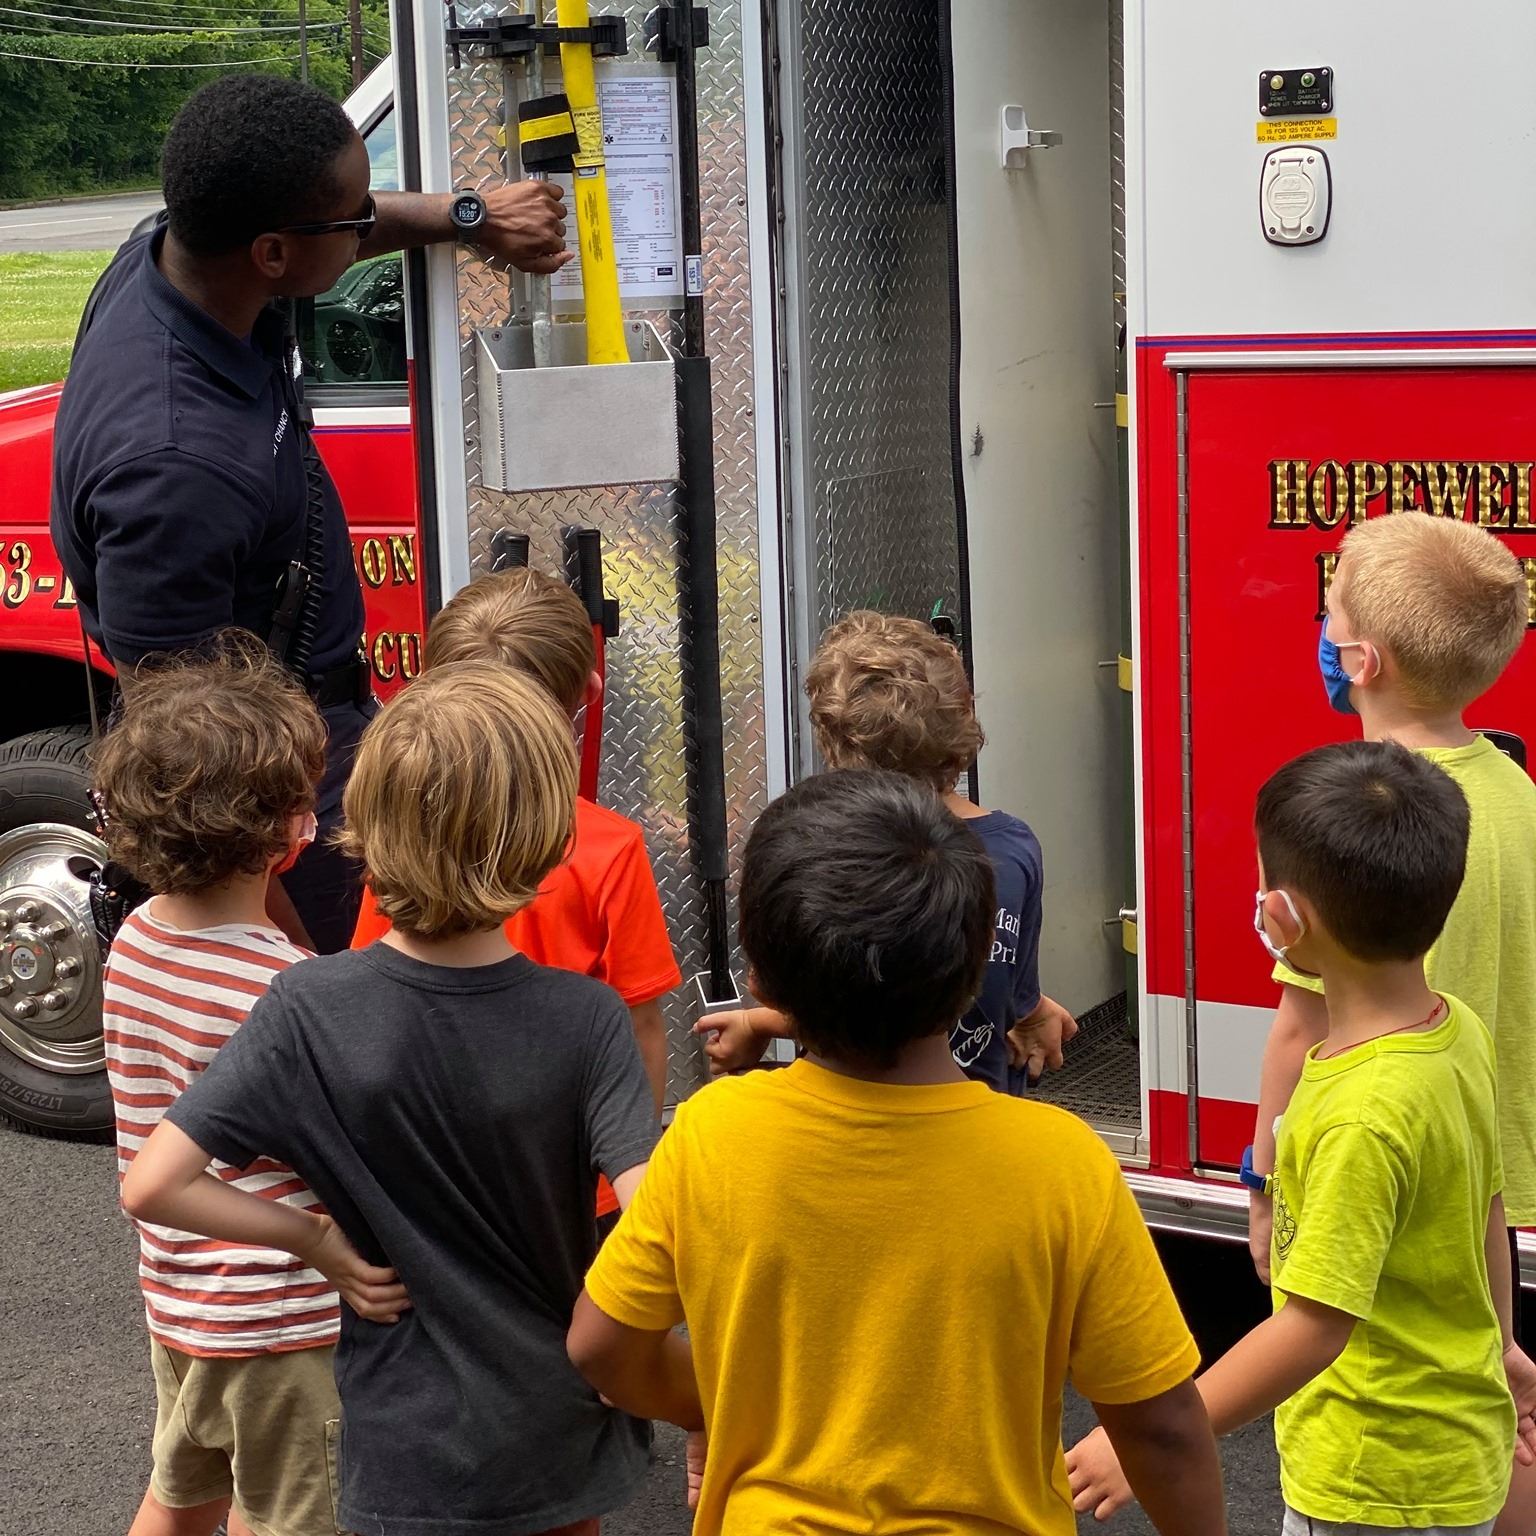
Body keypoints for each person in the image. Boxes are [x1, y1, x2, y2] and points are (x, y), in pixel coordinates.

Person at [569, 769, 1225, 1536]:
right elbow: (1164, 1428)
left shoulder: (711, 1136)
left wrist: (723, 1396)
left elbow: (601, 1346)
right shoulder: (1061, 1164)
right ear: (981, 960)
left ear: (761, 980)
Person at [122, 662, 659, 1536]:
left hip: (396, 1434)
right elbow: (654, 1224)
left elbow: (153, 1185)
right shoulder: (587, 1019)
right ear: (547, 834)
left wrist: (316, 1241)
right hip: (554, 1422)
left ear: (365, 822)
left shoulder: (309, 1007)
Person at [51, 72, 570, 953]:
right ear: (273, 257)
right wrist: (300, 973)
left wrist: (468, 216)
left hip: (311, 716)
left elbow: (333, 227)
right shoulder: (172, 469)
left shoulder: (178, 255)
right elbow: (199, 772)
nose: (369, 222)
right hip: (280, 788)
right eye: (352, 214)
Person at [1066, 739, 1536, 1536]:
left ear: (1283, 917)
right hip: (1452, 1452)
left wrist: (1152, 1437)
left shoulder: (1362, 1110)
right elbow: (1486, 1205)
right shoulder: (1456, 1033)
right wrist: (1505, 1342)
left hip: (1369, 1476)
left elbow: (1315, 1325)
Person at [95, 638, 342, 1536]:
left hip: (179, 1294)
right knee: (283, 1512)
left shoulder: (136, 943)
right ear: (283, 836)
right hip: (282, 1320)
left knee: (182, 1492)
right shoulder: (284, 993)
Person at [350, 567, 681, 1230]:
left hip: (436, 1175)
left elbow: (369, 992)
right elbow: (640, 1028)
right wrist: (625, 1168)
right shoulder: (612, 848)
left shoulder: (405, 828)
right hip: (578, 1186)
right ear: (588, 694)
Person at [694, 610, 1076, 1087]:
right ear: (960, 738)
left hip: (848, 1123)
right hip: (977, 1125)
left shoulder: (821, 854)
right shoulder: (1014, 852)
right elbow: (1005, 991)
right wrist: (1032, 1013)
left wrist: (758, 1023)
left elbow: (859, 1005)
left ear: (835, 749)